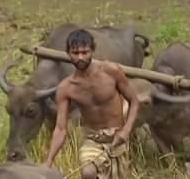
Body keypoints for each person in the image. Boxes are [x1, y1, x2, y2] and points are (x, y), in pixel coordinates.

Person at [42, 29, 139, 179]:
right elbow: (60, 129)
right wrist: (48, 161)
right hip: (93, 139)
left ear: (93, 50)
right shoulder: (67, 88)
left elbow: (134, 101)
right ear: (68, 53)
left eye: (85, 52)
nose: (80, 57)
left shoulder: (111, 71)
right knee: (88, 173)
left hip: (117, 137)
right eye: (75, 53)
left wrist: (126, 130)